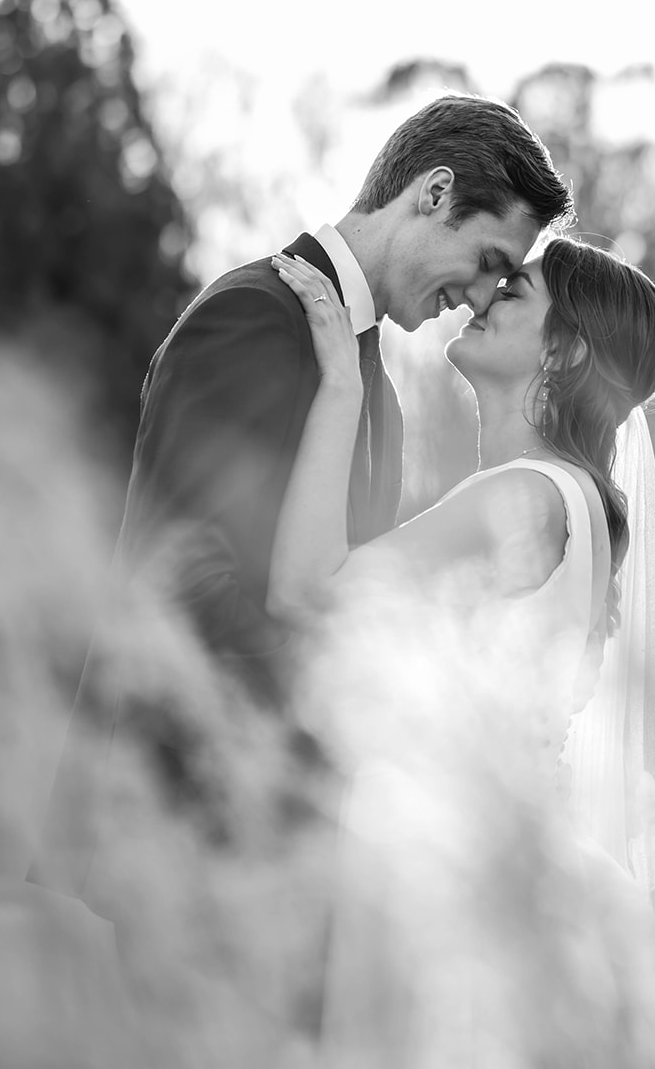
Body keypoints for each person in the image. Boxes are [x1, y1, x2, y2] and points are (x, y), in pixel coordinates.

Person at [32, 92, 572, 905]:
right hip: (173, 829)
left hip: (278, 842)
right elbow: (183, 583)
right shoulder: (255, 315)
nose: (478, 297)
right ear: (433, 194)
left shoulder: (374, 390)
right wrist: (361, 692)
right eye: (489, 260)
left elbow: (347, 595)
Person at [269, 237, 655, 1067]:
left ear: (564, 350)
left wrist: (341, 385)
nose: (484, 296)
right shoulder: (568, 500)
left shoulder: (528, 497)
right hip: (504, 875)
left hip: (453, 890)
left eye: (515, 291)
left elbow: (307, 594)